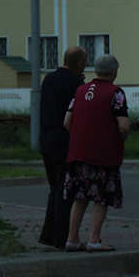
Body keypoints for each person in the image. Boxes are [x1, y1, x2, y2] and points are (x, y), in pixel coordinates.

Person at [62, 53, 130, 251]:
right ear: (113, 71)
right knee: (101, 196)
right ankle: (94, 240)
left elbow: (67, 122)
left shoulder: (80, 90)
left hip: (78, 152)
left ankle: (72, 240)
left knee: (79, 196)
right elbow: (124, 126)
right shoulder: (115, 92)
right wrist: (119, 141)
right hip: (103, 155)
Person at [37, 46, 88, 248]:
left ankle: (47, 234)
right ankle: (61, 238)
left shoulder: (48, 79)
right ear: (80, 64)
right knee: (65, 191)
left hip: (46, 140)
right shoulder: (76, 84)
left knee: (55, 189)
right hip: (64, 142)